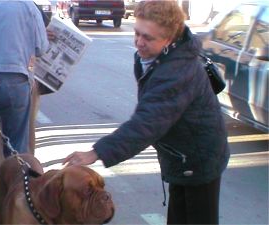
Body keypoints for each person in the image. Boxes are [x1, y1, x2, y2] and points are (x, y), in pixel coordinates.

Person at [63, 1, 230, 224]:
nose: (139, 42)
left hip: (199, 158)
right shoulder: (154, 56)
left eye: (148, 38)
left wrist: (96, 152)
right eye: (137, 33)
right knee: (179, 216)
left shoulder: (177, 71)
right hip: (180, 154)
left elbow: (147, 123)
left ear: (170, 38)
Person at [0, 1, 49, 223]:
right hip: (17, 82)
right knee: (18, 153)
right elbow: (41, 47)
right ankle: (18, 208)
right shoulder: (26, 6)